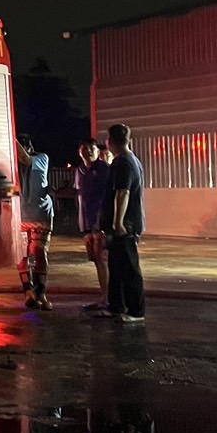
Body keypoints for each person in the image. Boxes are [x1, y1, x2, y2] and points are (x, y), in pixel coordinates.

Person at [100, 122, 146, 322]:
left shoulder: (123, 163)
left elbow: (122, 193)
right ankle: (116, 306)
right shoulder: (131, 160)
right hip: (127, 223)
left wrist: (118, 222)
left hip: (126, 225)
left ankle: (136, 311)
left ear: (110, 141)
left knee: (129, 268)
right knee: (117, 267)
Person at [15, 132, 54, 310]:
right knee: (23, 255)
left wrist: (10, 137)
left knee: (38, 252)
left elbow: (25, 158)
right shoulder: (13, 162)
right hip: (22, 214)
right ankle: (30, 292)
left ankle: (40, 293)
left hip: (39, 213)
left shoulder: (41, 158)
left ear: (30, 147)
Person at [74, 137, 111, 311]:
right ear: (79, 152)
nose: (88, 151)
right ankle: (104, 296)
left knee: (103, 260)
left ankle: (108, 299)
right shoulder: (79, 171)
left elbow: (108, 196)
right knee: (96, 260)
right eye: (85, 148)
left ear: (98, 151)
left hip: (100, 223)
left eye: (92, 148)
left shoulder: (103, 169)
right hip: (86, 223)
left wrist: (102, 219)